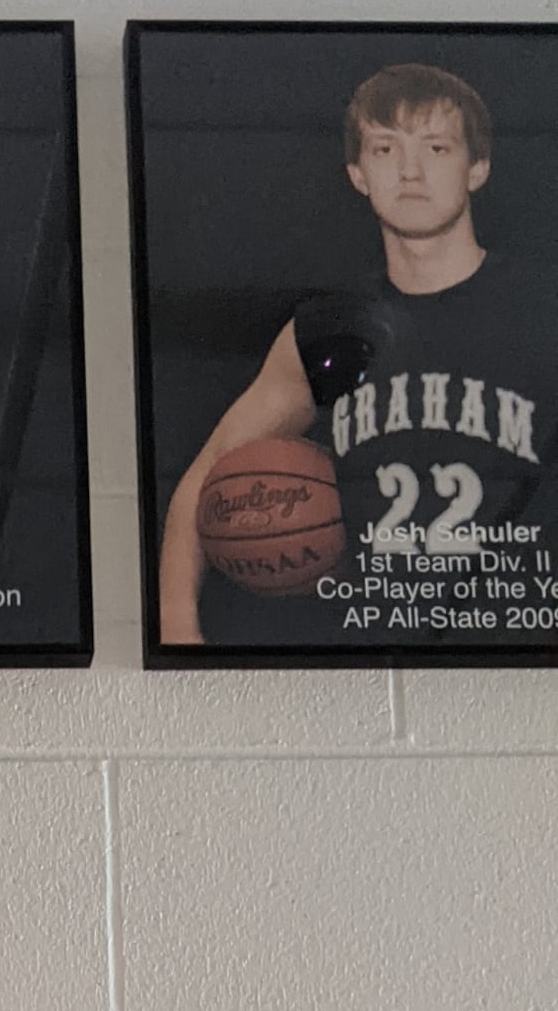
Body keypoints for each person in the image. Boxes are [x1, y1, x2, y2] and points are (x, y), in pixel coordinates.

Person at [158, 62, 556, 646]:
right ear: (357, 173)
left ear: (478, 168)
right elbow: (211, 470)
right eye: (385, 149)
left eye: (437, 148)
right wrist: (175, 628)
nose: (411, 171)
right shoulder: (329, 326)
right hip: (375, 648)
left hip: (521, 645)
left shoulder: (543, 304)